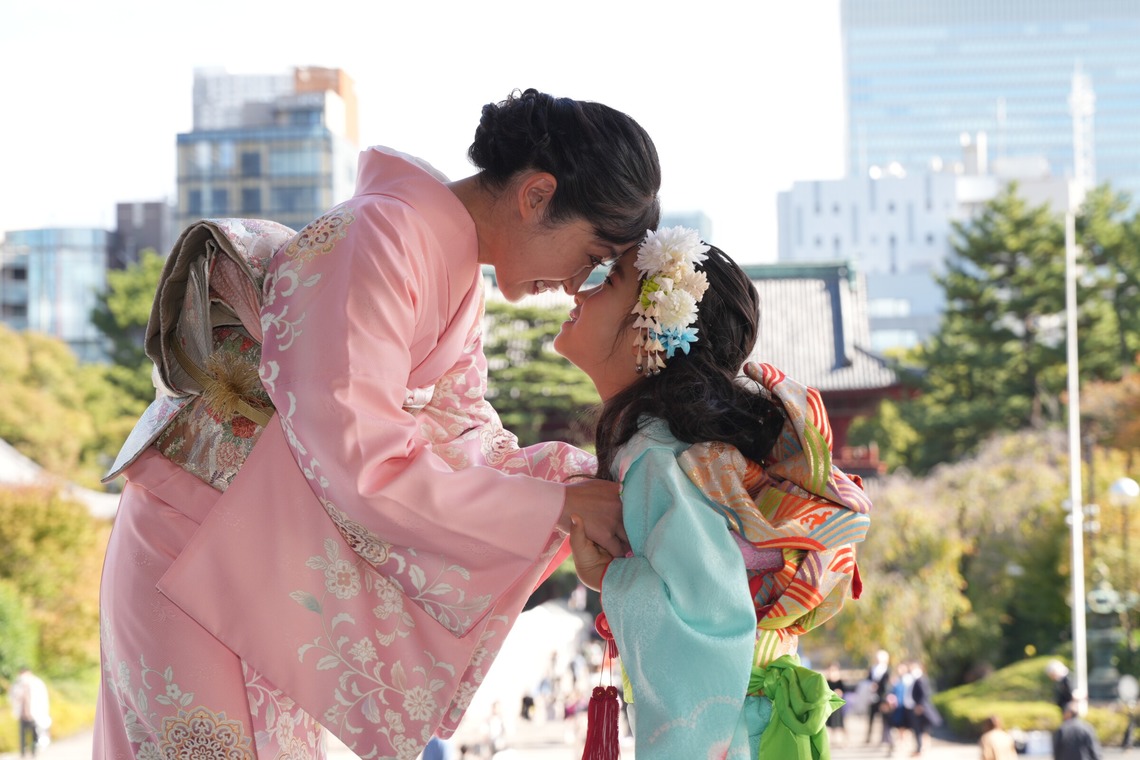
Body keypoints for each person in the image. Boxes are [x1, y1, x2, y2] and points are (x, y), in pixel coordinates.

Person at [94, 88, 661, 760]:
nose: (577, 285)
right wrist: (558, 505)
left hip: (252, 558)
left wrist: (581, 486)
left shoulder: (440, 263)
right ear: (537, 195)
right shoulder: (383, 236)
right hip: (196, 541)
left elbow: (465, 445)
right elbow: (362, 461)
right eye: (592, 256)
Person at [559, 228, 872, 758]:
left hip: (734, 728)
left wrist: (607, 577)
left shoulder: (658, 456)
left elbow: (706, 613)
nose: (577, 293)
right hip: (752, 719)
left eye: (606, 281)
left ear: (647, 332)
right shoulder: (673, 450)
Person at [8, 666, 50, 757]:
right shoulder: (17, 684)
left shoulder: (37, 684)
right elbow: (12, 698)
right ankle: (22, 754)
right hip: (22, 714)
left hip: (34, 714)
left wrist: (44, 713)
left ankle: (34, 753)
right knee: (22, 735)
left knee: (34, 734)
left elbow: (43, 699)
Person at [866, 649, 892, 744]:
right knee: (871, 717)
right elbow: (867, 681)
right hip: (872, 696)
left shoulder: (887, 670)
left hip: (883, 697)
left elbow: (888, 685)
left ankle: (884, 737)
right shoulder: (872, 669)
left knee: (884, 718)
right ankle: (869, 736)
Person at [825, 663, 849, 748]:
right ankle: (828, 741)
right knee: (829, 724)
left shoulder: (840, 682)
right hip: (830, 706)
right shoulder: (826, 682)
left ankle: (845, 741)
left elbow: (844, 692)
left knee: (840, 724)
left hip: (839, 707)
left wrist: (839, 693)